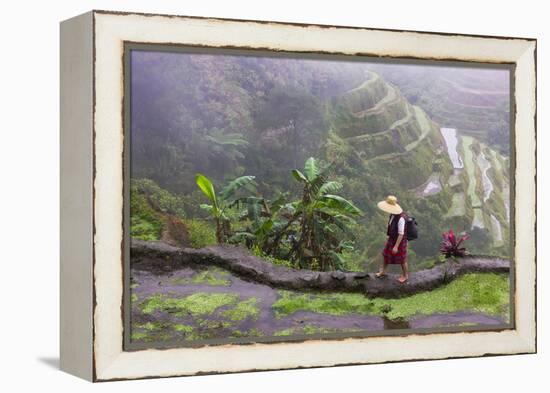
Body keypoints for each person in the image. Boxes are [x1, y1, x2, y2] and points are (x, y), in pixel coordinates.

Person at [375, 195, 409, 283]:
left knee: (402, 259)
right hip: (392, 238)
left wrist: (396, 246)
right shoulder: (393, 215)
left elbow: (401, 234)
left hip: (399, 241)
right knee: (386, 254)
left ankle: (405, 275)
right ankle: (383, 271)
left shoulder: (401, 218)